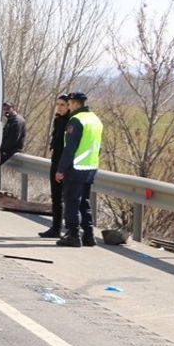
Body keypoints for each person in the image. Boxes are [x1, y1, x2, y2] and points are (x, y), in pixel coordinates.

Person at [54, 91, 102, 248]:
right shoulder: (95, 120)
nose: (68, 106)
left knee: (72, 202)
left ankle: (73, 235)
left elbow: (70, 149)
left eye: (69, 103)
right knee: (84, 202)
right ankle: (89, 235)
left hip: (76, 167)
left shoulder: (76, 120)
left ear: (74, 104)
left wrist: (61, 169)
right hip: (91, 167)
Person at [39, 94, 71, 238]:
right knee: (56, 197)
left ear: (69, 106)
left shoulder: (71, 122)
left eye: (62, 104)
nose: (59, 107)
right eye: (58, 104)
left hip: (66, 163)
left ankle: (70, 231)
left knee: (68, 198)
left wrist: (63, 167)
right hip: (56, 160)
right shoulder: (58, 120)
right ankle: (55, 228)